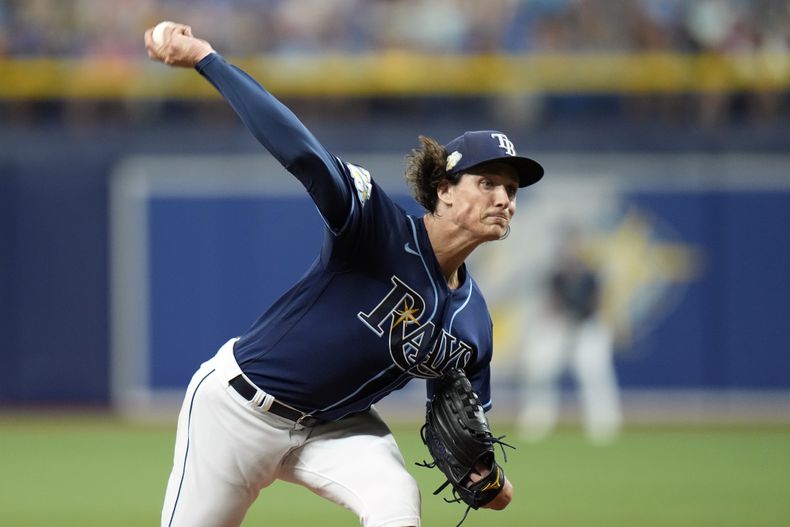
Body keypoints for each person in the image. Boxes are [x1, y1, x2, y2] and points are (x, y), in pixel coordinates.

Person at [144, 21, 544, 527]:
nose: (503, 199)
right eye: (487, 183)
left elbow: (467, 426)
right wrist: (207, 58)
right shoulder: (376, 225)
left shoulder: (474, 322)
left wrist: (485, 476)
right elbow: (303, 152)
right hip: (236, 410)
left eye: (511, 190)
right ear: (444, 189)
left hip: (337, 428)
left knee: (396, 500)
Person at [518, 226, 622, 444]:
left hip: (586, 326)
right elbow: (551, 303)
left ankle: (603, 425)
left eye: (575, 246)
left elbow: (598, 302)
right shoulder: (556, 276)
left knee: (594, 374)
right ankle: (537, 420)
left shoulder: (591, 275)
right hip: (562, 326)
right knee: (540, 370)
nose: (571, 251)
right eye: (568, 246)